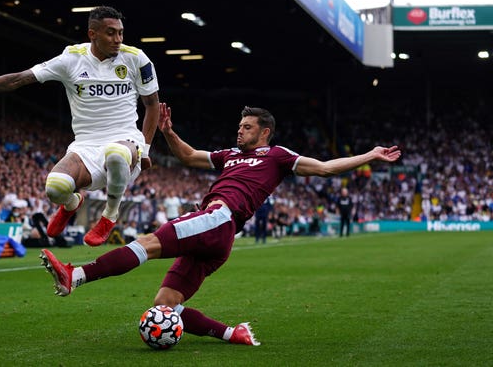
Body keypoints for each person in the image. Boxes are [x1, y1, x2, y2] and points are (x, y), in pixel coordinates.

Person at [40, 103, 401, 346]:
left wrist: (370, 155)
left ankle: (77, 276)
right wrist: (167, 130)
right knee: (166, 305)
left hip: (218, 218)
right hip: (218, 236)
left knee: (148, 243)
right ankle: (233, 334)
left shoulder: (277, 156)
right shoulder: (229, 156)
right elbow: (188, 155)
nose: (239, 132)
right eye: (240, 126)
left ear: (265, 132)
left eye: (246, 128)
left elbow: (324, 167)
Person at [0, 6, 159, 246]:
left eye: (120, 33)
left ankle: (109, 215)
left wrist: (145, 150)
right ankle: (72, 203)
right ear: (92, 34)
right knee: (55, 188)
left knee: (115, 154)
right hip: (86, 144)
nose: (118, 40)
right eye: (110, 33)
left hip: (125, 139)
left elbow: (152, 105)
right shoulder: (71, 59)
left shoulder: (136, 58)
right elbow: (19, 79)